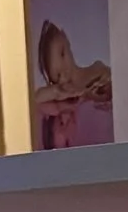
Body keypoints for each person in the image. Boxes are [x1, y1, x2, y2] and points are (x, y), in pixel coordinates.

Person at [33, 18, 113, 148]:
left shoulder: (97, 69)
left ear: (65, 39)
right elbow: (34, 99)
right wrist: (56, 91)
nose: (65, 70)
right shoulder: (63, 94)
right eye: (58, 75)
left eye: (62, 54)